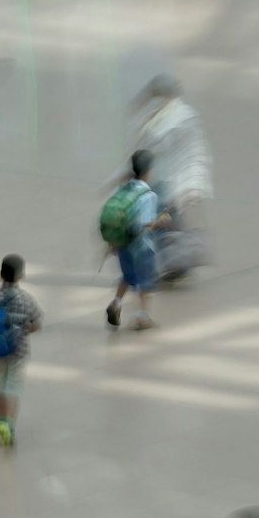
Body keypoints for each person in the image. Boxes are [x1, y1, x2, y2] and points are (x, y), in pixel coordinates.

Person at [133, 76, 211, 280]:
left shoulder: (176, 118)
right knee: (169, 222)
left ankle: (174, 263)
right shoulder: (171, 115)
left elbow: (163, 147)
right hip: (167, 181)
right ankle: (176, 264)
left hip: (170, 182)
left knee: (162, 222)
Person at [0, 254, 41, 447]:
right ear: (21, 275)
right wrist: (24, 328)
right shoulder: (26, 299)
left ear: (0, 274)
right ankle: (8, 425)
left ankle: (1, 419)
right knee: (13, 386)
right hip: (17, 350)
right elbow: (36, 324)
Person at [101, 150, 166, 331]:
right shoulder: (148, 195)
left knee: (127, 276)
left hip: (122, 244)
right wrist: (160, 221)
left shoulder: (123, 189)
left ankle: (116, 303)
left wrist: (112, 244)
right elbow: (144, 224)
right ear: (148, 171)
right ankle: (142, 317)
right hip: (142, 246)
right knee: (145, 281)